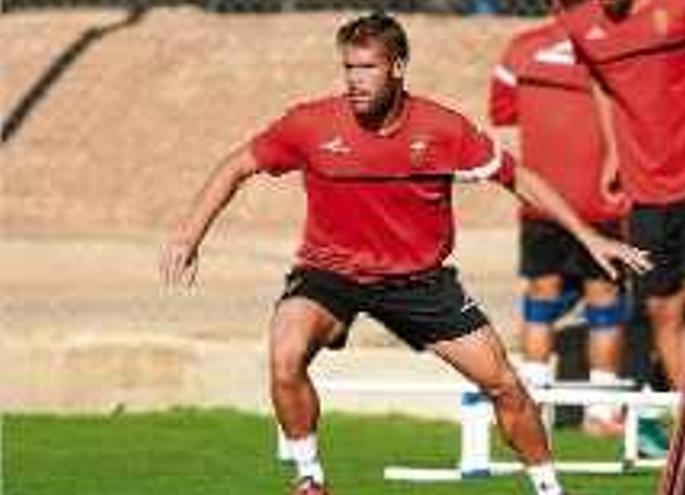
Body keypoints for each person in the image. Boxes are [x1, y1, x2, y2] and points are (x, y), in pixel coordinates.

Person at [159, 12, 652, 495]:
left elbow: (518, 178)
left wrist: (590, 236)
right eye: (349, 68)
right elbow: (236, 166)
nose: (355, 80)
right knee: (284, 356)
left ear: (397, 68)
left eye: (367, 67)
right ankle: (309, 479)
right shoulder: (309, 124)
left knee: (505, 385)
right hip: (330, 273)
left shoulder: (442, 129)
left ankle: (548, 487)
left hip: (419, 281)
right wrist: (189, 234)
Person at [551, 0, 685, 457]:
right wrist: (612, 153)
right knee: (662, 309)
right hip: (645, 192)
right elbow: (602, 85)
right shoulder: (579, 23)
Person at [488, 17, 631, 437]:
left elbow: (504, 119)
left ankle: (545, 408)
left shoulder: (522, 47)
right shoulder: (612, 43)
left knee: (544, 295)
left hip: (549, 201)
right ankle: (600, 412)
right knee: (599, 296)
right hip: (591, 200)